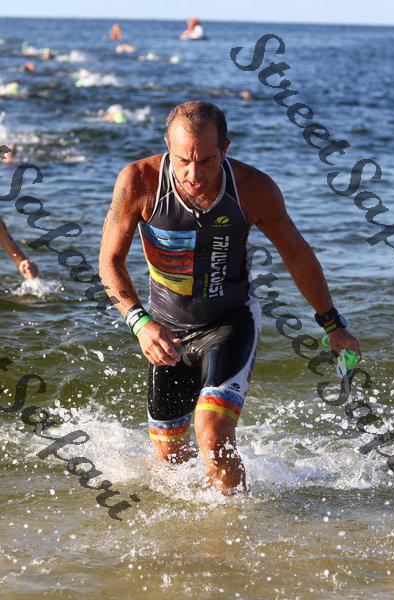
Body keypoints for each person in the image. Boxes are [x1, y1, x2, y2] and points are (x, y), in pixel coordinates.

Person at [99, 101, 361, 494]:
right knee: (169, 458)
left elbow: (296, 253)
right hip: (166, 331)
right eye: (183, 160)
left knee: (212, 432)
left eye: (206, 160)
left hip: (230, 321)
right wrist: (140, 323)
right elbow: (109, 262)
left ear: (225, 148)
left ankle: (234, 525)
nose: (194, 174)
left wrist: (333, 324)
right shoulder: (139, 181)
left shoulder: (253, 188)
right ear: (167, 145)